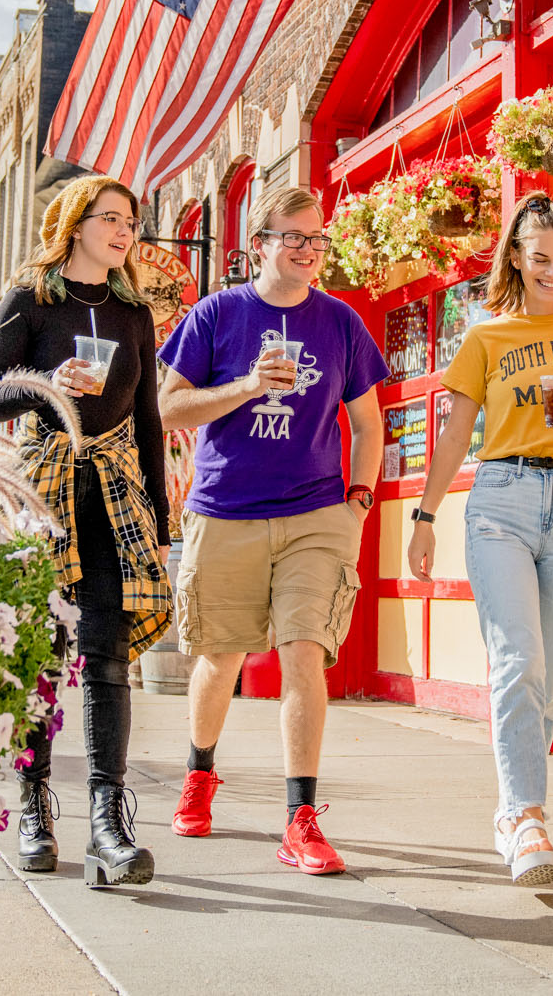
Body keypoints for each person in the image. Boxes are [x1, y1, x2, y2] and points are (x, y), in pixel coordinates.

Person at [157, 185, 387, 875]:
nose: (310, 251)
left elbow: (370, 424)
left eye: (318, 240)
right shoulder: (216, 314)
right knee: (220, 656)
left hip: (317, 512)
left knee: (303, 650)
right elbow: (168, 408)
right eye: (296, 238)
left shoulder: (341, 322)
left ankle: (300, 817)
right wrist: (247, 386)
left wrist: (359, 501)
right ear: (258, 242)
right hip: (226, 507)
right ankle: (200, 772)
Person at [409, 194, 553, 886]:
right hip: (500, 500)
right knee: (519, 658)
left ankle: (512, 812)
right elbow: (454, 435)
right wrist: (424, 516)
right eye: (541, 258)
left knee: (548, 674)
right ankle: (528, 815)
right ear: (515, 253)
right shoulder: (485, 336)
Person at [0, 174, 173, 889]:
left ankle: (108, 824)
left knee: (109, 655)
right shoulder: (31, 298)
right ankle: (33, 805)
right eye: (111, 218)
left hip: (113, 496)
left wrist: (160, 514)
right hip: (42, 491)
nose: (125, 232)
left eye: (131, 221)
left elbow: (148, 416)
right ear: (75, 223)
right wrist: (49, 382)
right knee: (43, 657)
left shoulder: (132, 312)